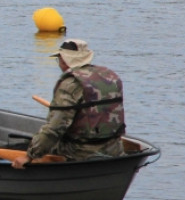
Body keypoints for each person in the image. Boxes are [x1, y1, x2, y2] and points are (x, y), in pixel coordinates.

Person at [12, 39, 125, 169]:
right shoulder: (110, 77)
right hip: (114, 149)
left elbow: (54, 128)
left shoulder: (70, 84)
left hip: (79, 153)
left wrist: (29, 156)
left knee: (19, 147)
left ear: (64, 60)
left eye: (59, 59)